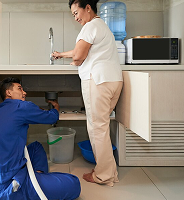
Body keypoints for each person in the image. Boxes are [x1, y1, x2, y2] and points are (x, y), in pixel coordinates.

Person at [52, 0, 123, 186]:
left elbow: (78, 55)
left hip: (98, 81)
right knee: (102, 127)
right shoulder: (101, 26)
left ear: (88, 8)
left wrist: (75, 61)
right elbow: (79, 52)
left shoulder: (90, 26)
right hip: (113, 80)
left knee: (97, 128)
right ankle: (109, 171)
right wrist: (62, 54)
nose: (75, 18)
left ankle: (103, 175)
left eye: (76, 13)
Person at [0, 77, 81, 200]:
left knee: (36, 147)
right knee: (74, 184)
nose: (24, 93)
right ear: (8, 92)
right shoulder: (22, 107)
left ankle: (36, 179)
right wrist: (56, 107)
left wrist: (33, 111)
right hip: (11, 186)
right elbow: (51, 118)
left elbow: (15, 117)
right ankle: (33, 185)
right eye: (20, 89)